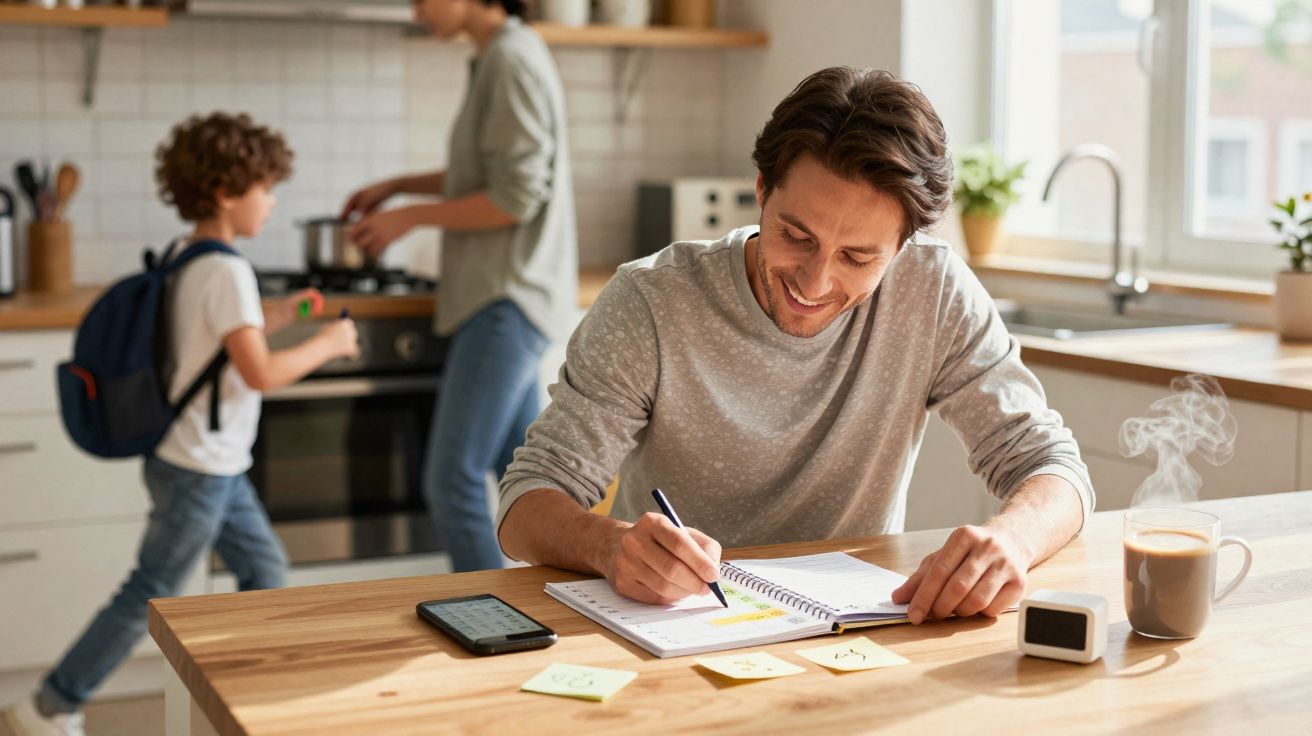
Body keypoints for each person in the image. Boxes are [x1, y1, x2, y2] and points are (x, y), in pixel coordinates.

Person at [496, 67, 1095, 624]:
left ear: (904, 244)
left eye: (858, 257)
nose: (815, 282)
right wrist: (609, 546)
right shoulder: (651, 302)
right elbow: (524, 503)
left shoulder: (933, 291)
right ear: (761, 189)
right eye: (795, 235)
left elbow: (1053, 467)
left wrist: (1012, 541)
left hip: (856, 631)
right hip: (674, 627)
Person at [3, 113, 359, 736]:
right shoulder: (229, 272)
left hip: (201, 458)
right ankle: (50, 705)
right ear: (227, 192)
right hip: (201, 466)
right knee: (152, 588)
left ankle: (244, 694)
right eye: (266, 189)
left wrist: (280, 313)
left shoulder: (187, 256)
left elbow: (213, 342)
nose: (273, 204)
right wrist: (329, 343)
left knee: (266, 574)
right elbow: (260, 374)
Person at [340, 0, 577, 572]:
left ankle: (494, 626)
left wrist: (411, 217)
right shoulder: (499, 54)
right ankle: (550, 616)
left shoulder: (510, 61)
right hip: (509, 295)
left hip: (505, 298)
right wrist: (398, 187)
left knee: (452, 481)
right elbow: (488, 174)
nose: (415, 7)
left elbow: (515, 198)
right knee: (526, 482)